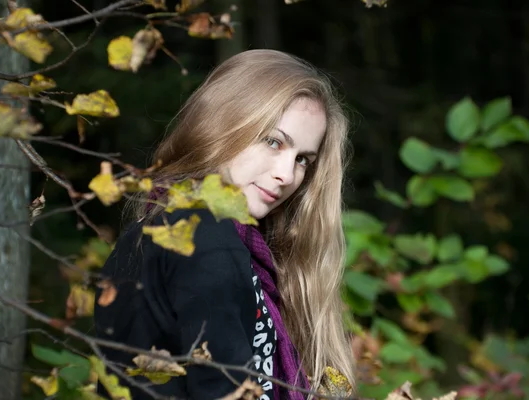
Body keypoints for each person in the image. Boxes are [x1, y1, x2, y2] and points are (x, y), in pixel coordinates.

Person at [94, 49, 355, 399]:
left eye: (303, 160)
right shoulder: (204, 237)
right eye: (273, 141)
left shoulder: (166, 228)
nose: (287, 174)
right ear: (223, 123)